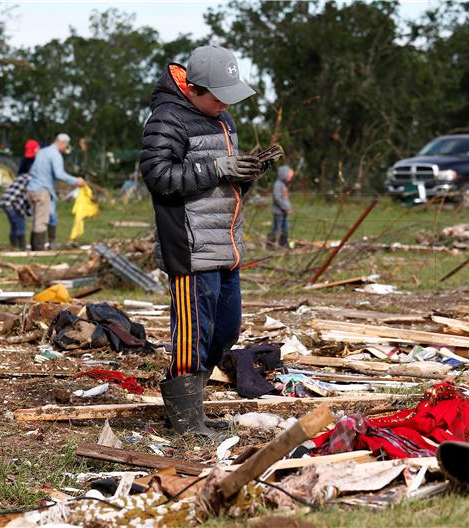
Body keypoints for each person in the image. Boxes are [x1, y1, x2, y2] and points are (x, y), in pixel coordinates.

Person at [140, 45, 267, 437]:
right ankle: (184, 422)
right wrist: (216, 167)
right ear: (194, 88)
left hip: (226, 245)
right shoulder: (167, 118)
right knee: (192, 337)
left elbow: (223, 179)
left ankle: (190, 408)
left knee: (225, 331)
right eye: (219, 95)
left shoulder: (222, 119)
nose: (225, 103)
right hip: (191, 247)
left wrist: (248, 171)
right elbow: (159, 177)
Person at [25, 133, 85, 250]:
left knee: (37, 217)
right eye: (66, 145)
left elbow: (32, 170)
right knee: (42, 220)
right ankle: (38, 248)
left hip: (31, 188)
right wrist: (75, 180)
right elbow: (59, 174)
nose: (65, 148)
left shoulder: (42, 152)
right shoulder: (55, 154)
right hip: (43, 189)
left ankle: (37, 245)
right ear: (61, 143)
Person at [0, 139, 40, 250]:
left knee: (14, 225)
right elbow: (26, 199)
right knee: (20, 224)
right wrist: (31, 212)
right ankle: (21, 248)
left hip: (5, 201)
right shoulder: (30, 178)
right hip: (12, 203)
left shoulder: (22, 173)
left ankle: (13, 246)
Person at [268, 164, 294, 248]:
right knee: (276, 229)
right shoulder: (278, 185)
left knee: (285, 229)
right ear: (284, 175)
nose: (289, 178)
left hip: (283, 212)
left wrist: (288, 207)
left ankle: (283, 244)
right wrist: (286, 207)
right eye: (288, 176)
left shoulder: (282, 185)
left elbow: (284, 198)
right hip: (278, 212)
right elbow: (278, 198)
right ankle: (270, 244)